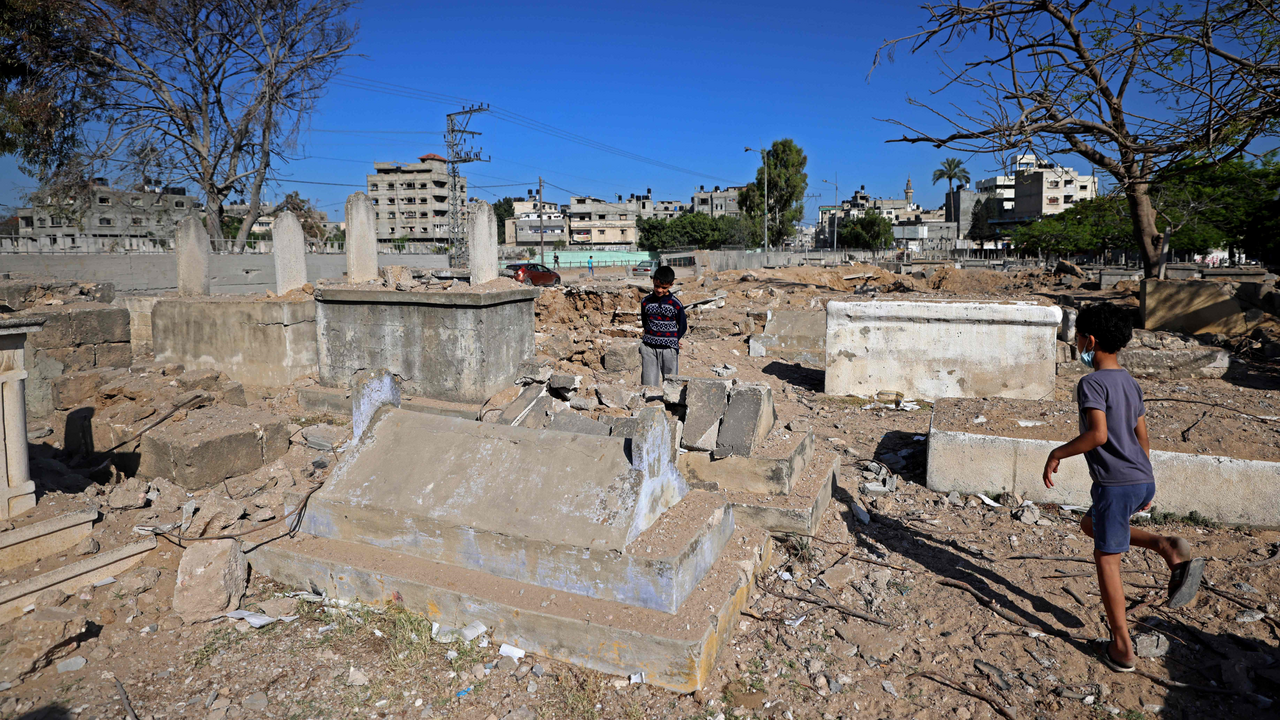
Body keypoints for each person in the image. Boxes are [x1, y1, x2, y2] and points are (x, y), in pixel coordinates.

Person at [1042, 302, 1203, 673]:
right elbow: (1142, 438)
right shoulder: (1131, 383)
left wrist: (1057, 452)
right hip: (1141, 477)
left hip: (1115, 484)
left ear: (1090, 340)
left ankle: (1122, 646)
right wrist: (1142, 480)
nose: (1077, 344)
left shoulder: (1091, 383)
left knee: (1106, 559)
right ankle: (1165, 545)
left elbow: (1097, 435)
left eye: (1078, 338)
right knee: (1091, 525)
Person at [638, 265, 686, 386]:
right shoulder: (646, 302)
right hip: (649, 348)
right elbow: (645, 321)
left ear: (671, 284)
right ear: (653, 281)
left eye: (663, 287)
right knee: (648, 384)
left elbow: (683, 326)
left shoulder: (675, 304)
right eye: (657, 286)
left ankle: (671, 405)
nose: (659, 290)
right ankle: (651, 404)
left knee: (671, 384)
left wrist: (674, 339)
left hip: (669, 350)